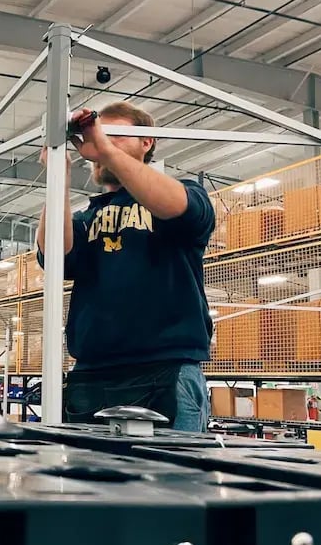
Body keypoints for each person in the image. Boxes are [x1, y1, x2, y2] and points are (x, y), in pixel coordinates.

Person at [37, 102, 215, 430]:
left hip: (165, 372)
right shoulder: (82, 218)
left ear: (147, 142)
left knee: (172, 478)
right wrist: (57, 176)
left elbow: (178, 206)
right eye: (101, 134)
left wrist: (103, 147)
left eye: (116, 134)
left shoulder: (184, 193)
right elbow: (55, 259)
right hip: (92, 375)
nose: (104, 140)